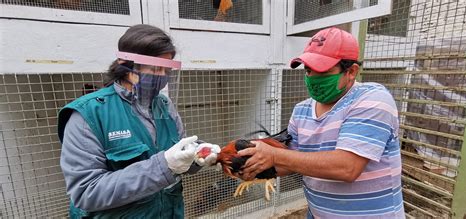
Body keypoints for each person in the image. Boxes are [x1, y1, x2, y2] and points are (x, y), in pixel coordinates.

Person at [238, 27, 404, 218]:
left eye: (321, 71)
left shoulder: (372, 99)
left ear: (351, 71)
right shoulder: (301, 110)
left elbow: (347, 167)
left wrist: (274, 155)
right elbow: (291, 161)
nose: (312, 78)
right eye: (308, 70)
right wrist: (250, 165)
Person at [58, 24, 220, 218]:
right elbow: (86, 192)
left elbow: (179, 162)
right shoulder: (89, 114)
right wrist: (164, 166)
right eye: (154, 68)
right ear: (125, 64)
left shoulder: (164, 106)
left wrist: (197, 157)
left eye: (166, 70)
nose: (161, 76)